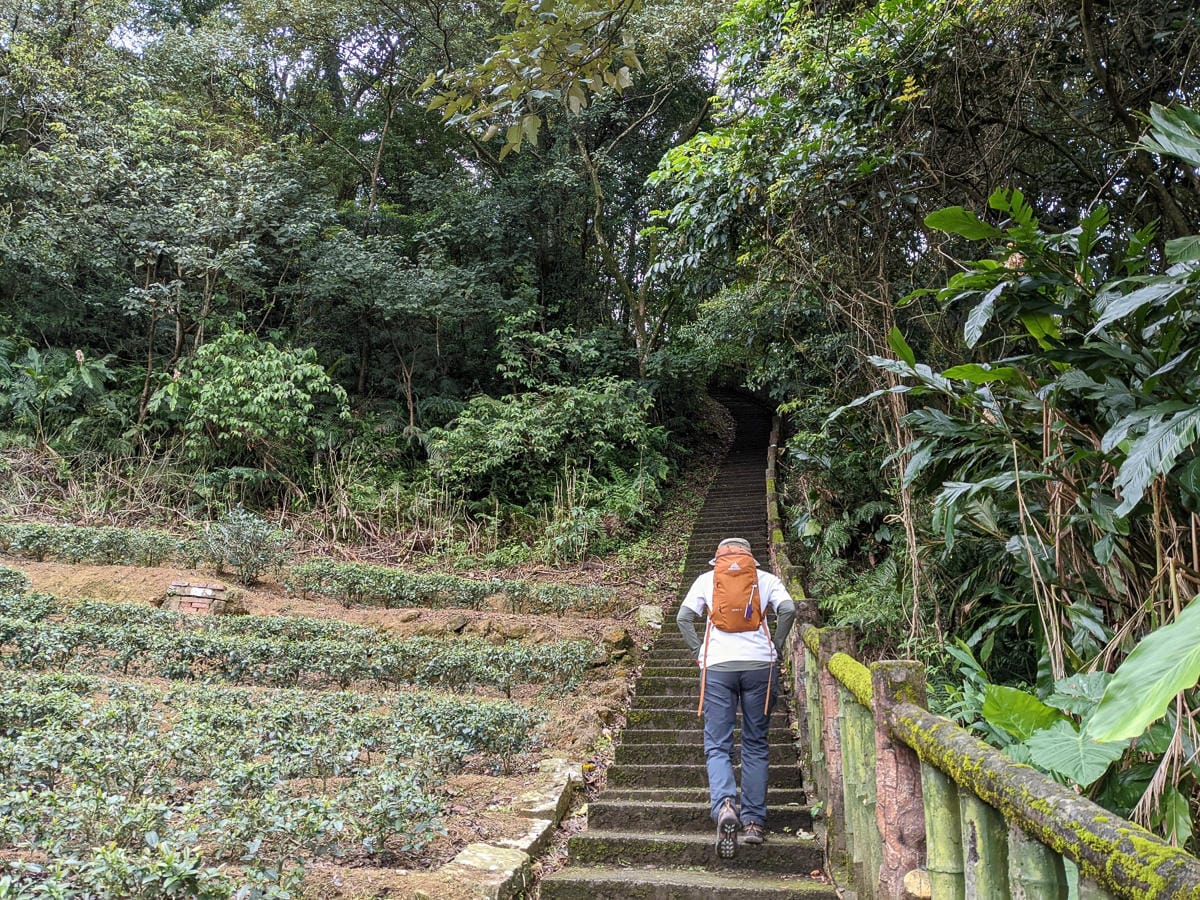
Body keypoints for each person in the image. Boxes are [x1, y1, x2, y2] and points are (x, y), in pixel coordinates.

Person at [676, 537, 796, 859]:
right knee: (756, 743)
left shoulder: (705, 580)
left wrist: (698, 652)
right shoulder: (767, 579)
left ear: (718, 559)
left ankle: (726, 805)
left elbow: (683, 618)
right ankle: (754, 822)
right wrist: (778, 647)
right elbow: (789, 610)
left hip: (718, 667)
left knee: (718, 744)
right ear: (750, 558)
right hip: (760, 667)